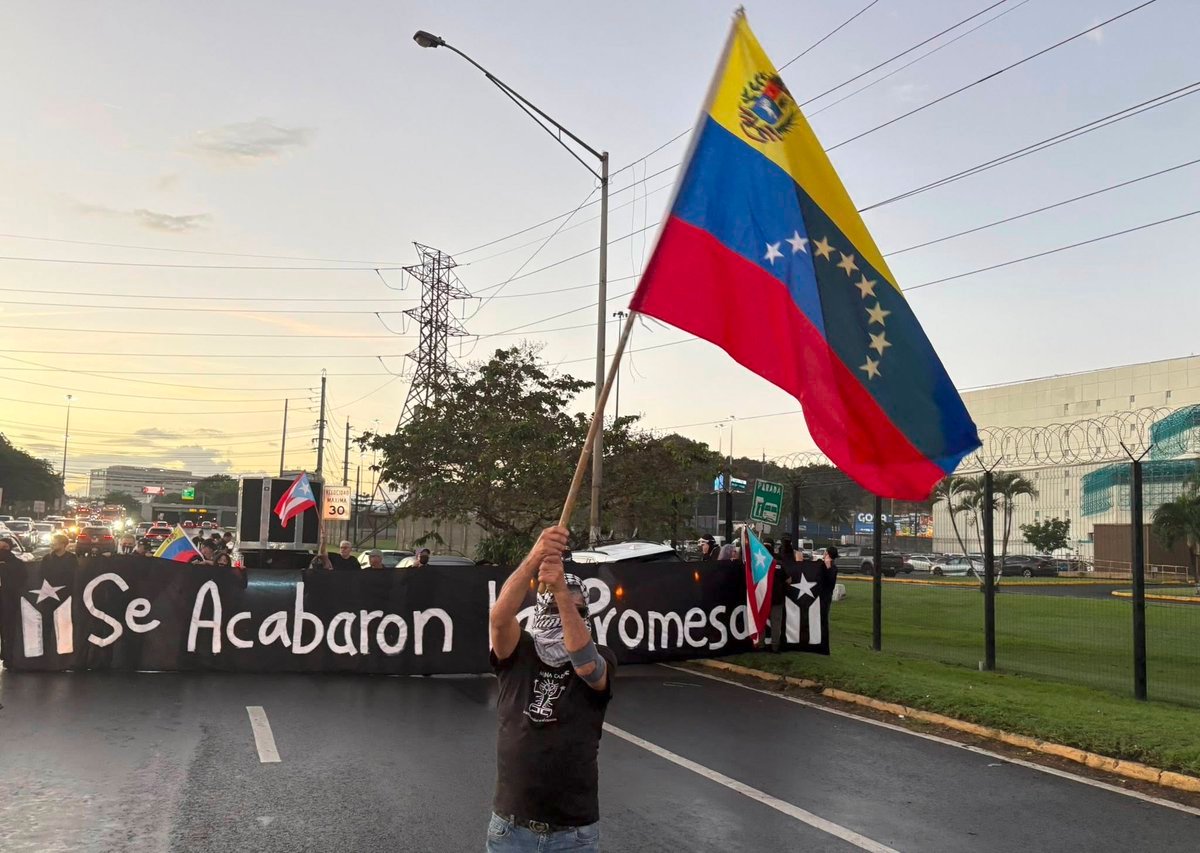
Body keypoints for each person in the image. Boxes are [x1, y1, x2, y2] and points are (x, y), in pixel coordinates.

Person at [486, 526, 615, 851]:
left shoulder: (601, 656)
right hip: (512, 828)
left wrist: (561, 591)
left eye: (577, 610)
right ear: (541, 610)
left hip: (573, 833)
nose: (566, 615)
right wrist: (535, 557)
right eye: (557, 608)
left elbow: (585, 665)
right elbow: (500, 620)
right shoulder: (521, 650)